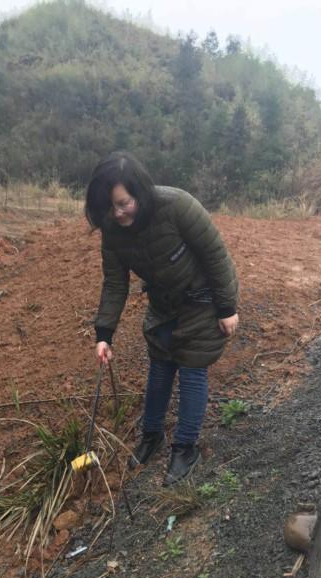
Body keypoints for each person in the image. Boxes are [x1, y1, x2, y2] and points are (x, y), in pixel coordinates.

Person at [85, 152, 239, 486]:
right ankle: (151, 435)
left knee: (192, 370)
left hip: (202, 301)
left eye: (124, 203)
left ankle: (185, 447)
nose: (118, 213)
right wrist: (104, 334)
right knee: (159, 370)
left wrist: (227, 309)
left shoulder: (177, 206)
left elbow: (216, 255)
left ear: (139, 191)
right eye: (109, 208)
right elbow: (115, 283)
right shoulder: (113, 230)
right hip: (163, 305)